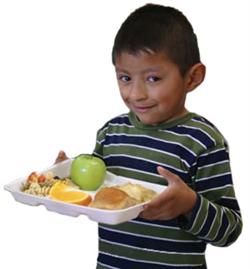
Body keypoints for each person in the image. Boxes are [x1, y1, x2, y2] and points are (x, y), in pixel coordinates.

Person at [56, 4, 242, 269]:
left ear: (192, 78)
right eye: (125, 77)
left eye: (153, 78)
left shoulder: (203, 141)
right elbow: (92, 194)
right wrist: (65, 177)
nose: (136, 94)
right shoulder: (111, 134)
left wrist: (190, 204)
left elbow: (230, 231)